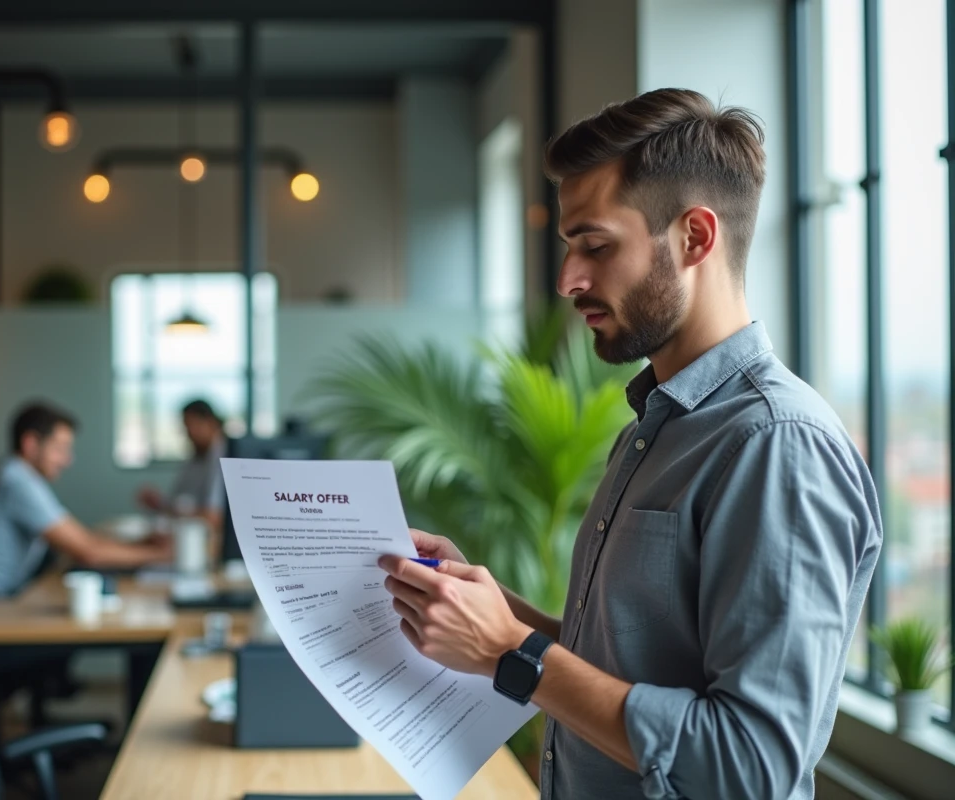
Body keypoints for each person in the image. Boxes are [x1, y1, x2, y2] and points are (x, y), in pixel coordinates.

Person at [378, 88, 882, 800]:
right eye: (569, 248)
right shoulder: (655, 429)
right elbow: (622, 663)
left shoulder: (776, 447)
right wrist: (493, 608)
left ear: (695, 239)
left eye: (596, 245)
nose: (568, 280)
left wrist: (509, 651)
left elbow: (752, 766)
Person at [0, 402, 172, 596]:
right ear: (30, 444)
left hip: (3, 596)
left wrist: (140, 545)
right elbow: (89, 552)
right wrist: (164, 555)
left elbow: (82, 540)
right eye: (60, 449)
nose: (67, 460)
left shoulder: (13, 474)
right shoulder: (16, 482)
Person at [136, 398, 228, 535]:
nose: (189, 434)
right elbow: (178, 502)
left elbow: (213, 516)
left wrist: (178, 511)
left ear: (211, 423)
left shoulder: (225, 457)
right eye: (186, 428)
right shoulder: (195, 457)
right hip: (186, 533)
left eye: (192, 426)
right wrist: (160, 503)